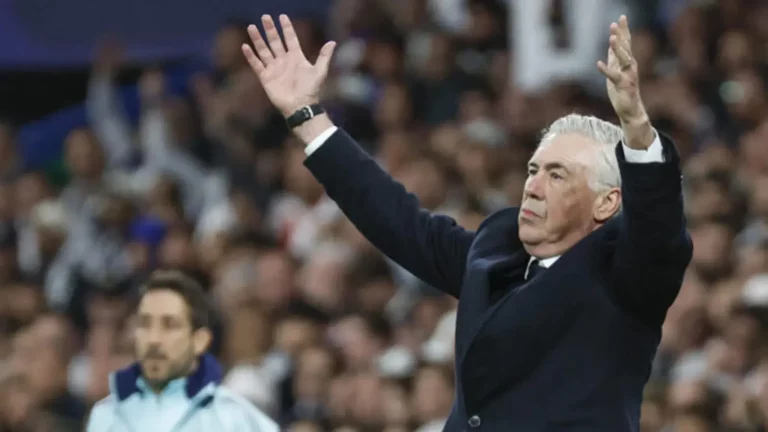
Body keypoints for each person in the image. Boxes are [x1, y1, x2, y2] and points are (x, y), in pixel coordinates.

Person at [242, 13, 692, 432]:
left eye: (558, 175)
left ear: (606, 203)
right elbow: (397, 219)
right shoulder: (496, 255)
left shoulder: (627, 278)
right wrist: (307, 116)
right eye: (534, 170)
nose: (533, 186)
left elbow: (660, 231)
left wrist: (635, 127)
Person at [85, 270, 279, 431]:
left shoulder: (237, 411)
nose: (154, 340)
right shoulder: (108, 414)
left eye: (170, 325)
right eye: (145, 324)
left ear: (199, 340)